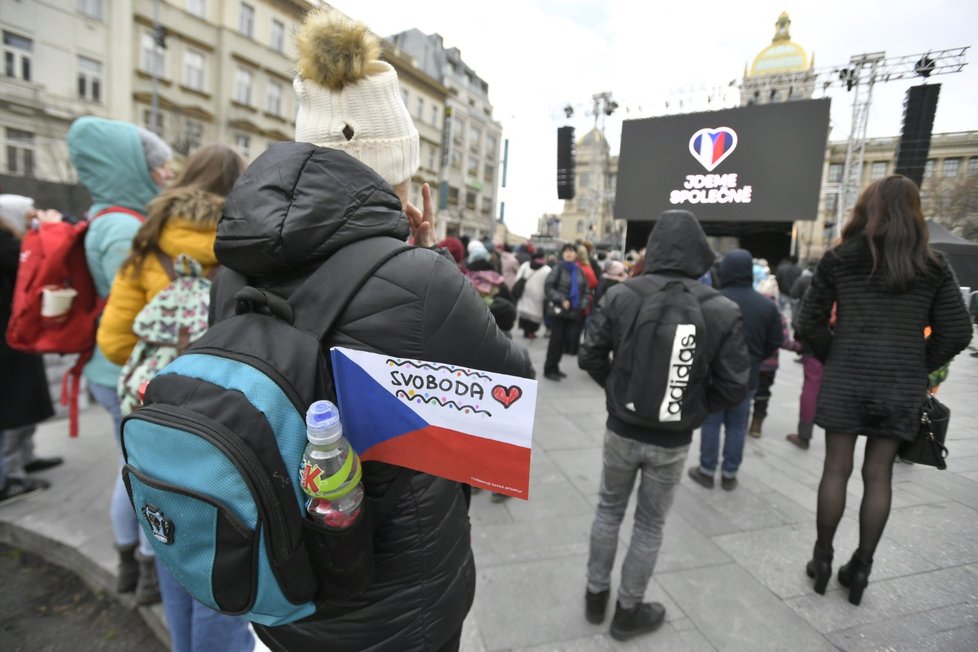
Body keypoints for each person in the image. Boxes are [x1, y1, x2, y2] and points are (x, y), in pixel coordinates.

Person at [222, 12, 533, 651]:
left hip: (275, 571)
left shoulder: (231, 264)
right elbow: (511, 389)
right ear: (395, 170)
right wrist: (427, 258)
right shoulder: (419, 280)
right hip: (393, 599)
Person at [96, 144, 253, 652]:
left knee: (170, 542)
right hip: (222, 417)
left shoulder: (147, 241)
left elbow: (115, 342)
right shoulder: (252, 245)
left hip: (152, 410)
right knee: (221, 548)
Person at [796, 176, 972, 605]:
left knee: (835, 469)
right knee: (879, 475)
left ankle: (821, 560)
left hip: (847, 380)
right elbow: (958, 331)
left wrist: (836, 355)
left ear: (866, 209)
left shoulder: (840, 258)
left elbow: (808, 322)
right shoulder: (933, 264)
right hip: (899, 386)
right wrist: (917, 364)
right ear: (915, 213)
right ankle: (861, 569)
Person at [578, 210, 749, 642]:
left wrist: (619, 394)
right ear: (699, 250)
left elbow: (590, 356)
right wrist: (690, 408)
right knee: (650, 525)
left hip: (622, 429)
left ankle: (595, 597)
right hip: (672, 438)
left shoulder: (621, 295)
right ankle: (628, 611)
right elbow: (734, 386)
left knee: (608, 509)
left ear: (653, 248)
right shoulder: (721, 308)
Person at [68, 116, 173, 605]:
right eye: (159, 168)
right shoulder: (125, 227)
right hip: (126, 373)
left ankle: (130, 565)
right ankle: (144, 568)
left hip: (110, 371)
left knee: (128, 470)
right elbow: (139, 310)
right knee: (139, 476)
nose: (165, 176)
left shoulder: (105, 217)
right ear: (134, 167)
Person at [689, 249, 782, 491]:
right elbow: (776, 340)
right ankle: (730, 473)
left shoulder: (712, 301)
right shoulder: (767, 306)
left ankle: (707, 470)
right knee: (738, 425)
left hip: (714, 375)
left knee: (711, 423)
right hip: (747, 375)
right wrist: (755, 358)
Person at [0, 195, 56, 503]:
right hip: (9, 339)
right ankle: (10, 476)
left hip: (14, 336)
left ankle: (23, 459)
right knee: (12, 407)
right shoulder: (6, 243)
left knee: (21, 403)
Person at [543, 243, 589, 380]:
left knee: (564, 341)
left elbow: (586, 291)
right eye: (566, 251)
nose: (569, 253)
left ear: (576, 254)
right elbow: (549, 287)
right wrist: (562, 299)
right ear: (562, 254)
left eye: (572, 251)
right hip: (559, 311)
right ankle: (549, 368)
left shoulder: (579, 271)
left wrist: (582, 303)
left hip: (574, 312)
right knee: (556, 340)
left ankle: (556, 367)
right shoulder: (558, 268)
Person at [514, 251, 551, 339]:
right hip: (539, 294)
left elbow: (518, 278)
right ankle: (532, 332)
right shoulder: (547, 269)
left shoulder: (525, 265)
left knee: (525, 313)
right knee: (535, 315)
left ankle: (526, 331)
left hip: (525, 292)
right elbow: (549, 284)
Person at [775, 255, 802, 319]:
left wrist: (780, 288)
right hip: (794, 294)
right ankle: (793, 323)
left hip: (783, 292)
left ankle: (780, 322)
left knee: (780, 310)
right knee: (794, 312)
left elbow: (777, 279)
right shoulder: (799, 270)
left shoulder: (782, 268)